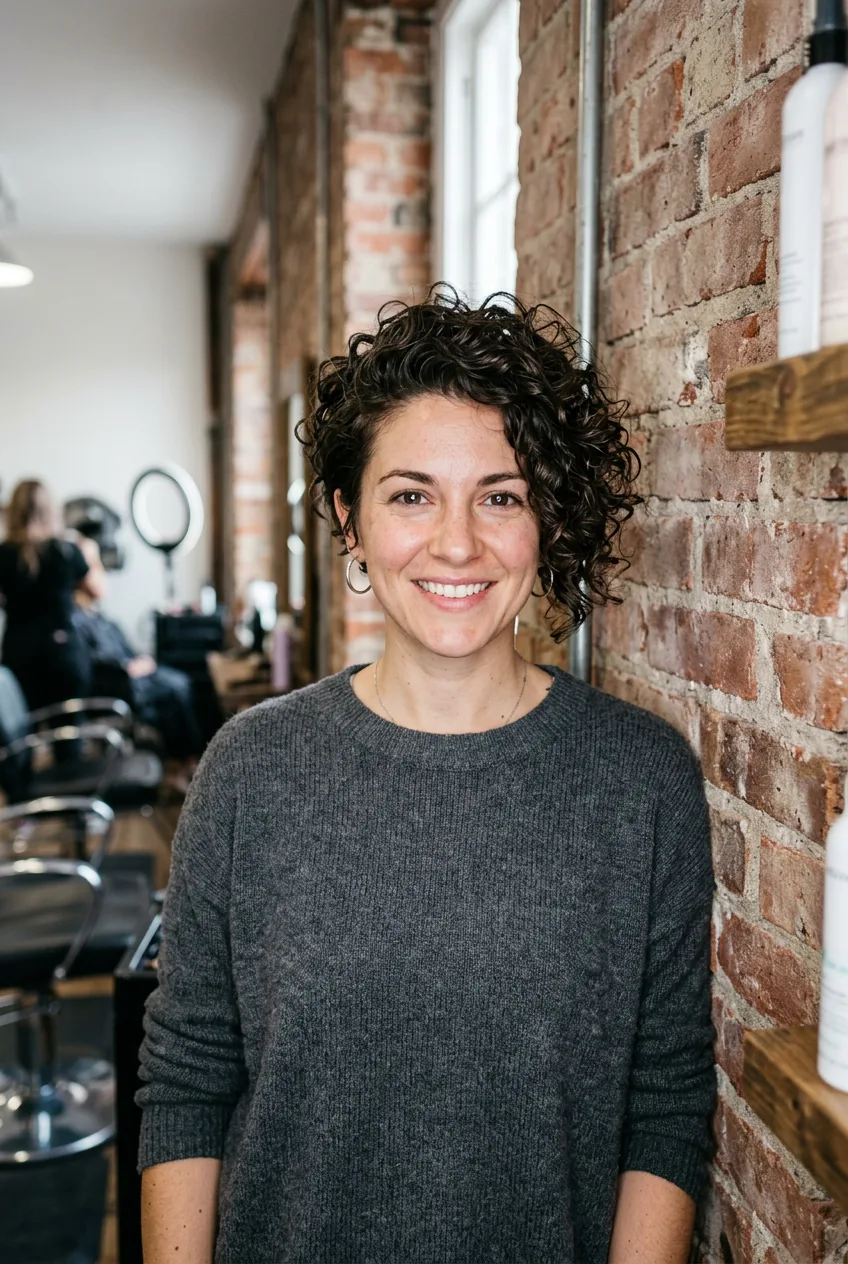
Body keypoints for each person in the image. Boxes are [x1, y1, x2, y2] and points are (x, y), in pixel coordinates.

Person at [137, 291, 716, 1264]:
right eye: (410, 494)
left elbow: (662, 1103)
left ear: (546, 517)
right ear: (348, 519)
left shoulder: (638, 780)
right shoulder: (251, 770)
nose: (457, 542)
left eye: (501, 494)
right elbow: (187, 1081)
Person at [72, 567, 203, 760]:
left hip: (133, 675)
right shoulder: (78, 621)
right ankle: (181, 760)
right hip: (122, 685)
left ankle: (189, 758)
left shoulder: (98, 616)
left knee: (181, 682)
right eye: (96, 569)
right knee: (174, 691)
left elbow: (126, 648)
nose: (103, 577)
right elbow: (100, 664)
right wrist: (129, 667)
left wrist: (139, 661)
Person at [0, 479, 104, 711]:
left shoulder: (4, 554)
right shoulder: (66, 550)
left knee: (23, 738)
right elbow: (98, 591)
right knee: (68, 734)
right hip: (62, 652)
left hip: (19, 654)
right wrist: (92, 555)